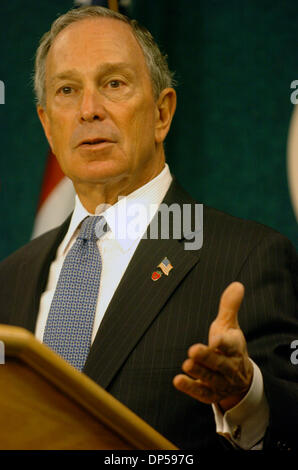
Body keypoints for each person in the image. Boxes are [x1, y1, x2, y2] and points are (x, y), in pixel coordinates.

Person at [0, 6, 297, 451]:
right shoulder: (10, 278)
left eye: (113, 84)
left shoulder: (246, 257)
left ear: (162, 113)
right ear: (46, 125)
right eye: (67, 90)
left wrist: (244, 395)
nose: (88, 110)